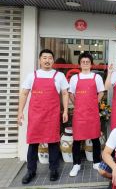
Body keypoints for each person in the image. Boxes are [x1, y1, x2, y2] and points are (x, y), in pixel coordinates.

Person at [18, 49, 69, 184]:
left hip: (52, 115)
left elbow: (65, 93)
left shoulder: (59, 76)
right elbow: (24, 94)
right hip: (36, 115)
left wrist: (64, 111)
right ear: (40, 60)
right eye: (44, 58)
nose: (47, 60)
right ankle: (31, 171)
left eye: (50, 58)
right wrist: (20, 111)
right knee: (33, 143)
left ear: (53, 60)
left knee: (52, 142)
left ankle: (54, 170)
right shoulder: (32, 75)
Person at [68, 52, 105, 177]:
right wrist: (78, 104)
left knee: (95, 138)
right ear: (79, 64)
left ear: (91, 64)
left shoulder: (97, 77)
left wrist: (94, 102)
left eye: (87, 62)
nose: (85, 64)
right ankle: (76, 164)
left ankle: (96, 161)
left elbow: (101, 92)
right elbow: (71, 94)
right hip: (79, 114)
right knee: (77, 140)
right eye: (83, 62)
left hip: (92, 113)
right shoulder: (74, 78)